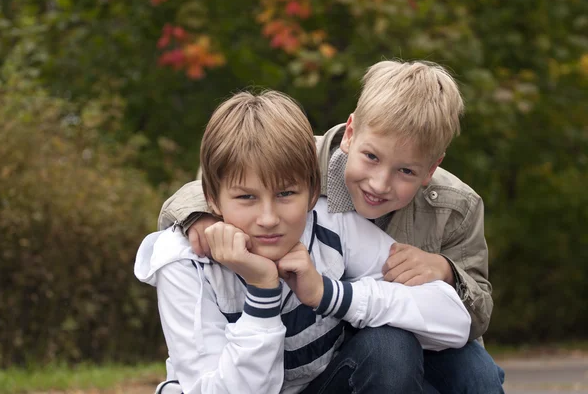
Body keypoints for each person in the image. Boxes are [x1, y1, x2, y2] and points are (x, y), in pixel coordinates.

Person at [158, 60, 505, 393]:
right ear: (351, 133)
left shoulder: (456, 206)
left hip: (396, 326)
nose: (380, 184)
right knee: (389, 352)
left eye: (407, 171)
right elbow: (220, 181)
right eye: (371, 157)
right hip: (326, 340)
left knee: (478, 376)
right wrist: (200, 216)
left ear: (430, 169)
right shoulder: (297, 162)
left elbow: (474, 316)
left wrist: (445, 271)